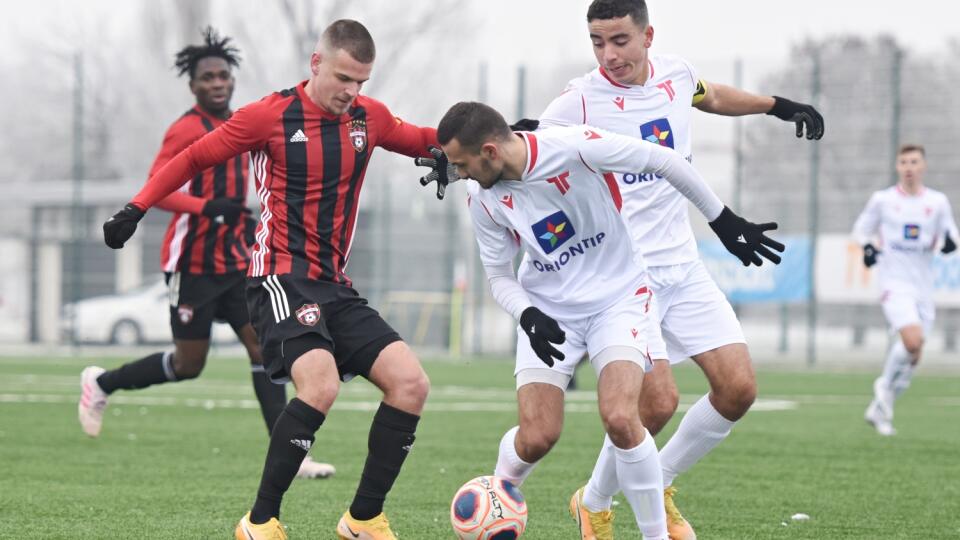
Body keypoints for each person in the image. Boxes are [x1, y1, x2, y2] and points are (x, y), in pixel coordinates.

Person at [101, 20, 442, 540]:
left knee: (411, 384)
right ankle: (259, 524)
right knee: (320, 384)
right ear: (316, 64)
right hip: (278, 277)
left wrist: (492, 138)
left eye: (362, 82)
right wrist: (136, 207)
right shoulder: (269, 116)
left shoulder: (366, 118)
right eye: (344, 78)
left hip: (334, 284)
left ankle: (363, 519)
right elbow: (193, 157)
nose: (352, 92)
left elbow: (422, 138)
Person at [529, 1, 825, 537]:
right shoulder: (579, 100)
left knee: (738, 390)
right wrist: (453, 154)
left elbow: (708, 94)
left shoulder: (675, 73)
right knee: (657, 402)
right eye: (597, 42)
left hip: (683, 267)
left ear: (647, 35)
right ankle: (596, 503)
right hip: (625, 278)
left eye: (619, 40)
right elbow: (521, 142)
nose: (608, 54)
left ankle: (649, 483)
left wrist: (776, 105)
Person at [431, 101, 782, 539]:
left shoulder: (572, 147)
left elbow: (664, 159)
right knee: (537, 436)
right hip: (550, 310)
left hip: (618, 300)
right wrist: (528, 315)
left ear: (490, 151)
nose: (460, 174)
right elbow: (499, 275)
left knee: (621, 416)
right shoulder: (482, 199)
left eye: (462, 164)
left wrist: (722, 219)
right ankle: (500, 488)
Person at [77, 27, 333, 480]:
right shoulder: (185, 129)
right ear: (193, 85)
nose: (217, 83)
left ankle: (292, 456)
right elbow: (159, 188)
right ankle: (101, 382)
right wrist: (206, 208)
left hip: (236, 262)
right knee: (188, 364)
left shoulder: (244, 122)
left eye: (223, 75)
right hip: (191, 262)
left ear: (232, 80)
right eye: (208, 77)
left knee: (263, 349)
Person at [853, 144, 957, 436]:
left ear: (923, 166)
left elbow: (951, 233)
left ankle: (880, 408)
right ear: (897, 167)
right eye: (903, 162)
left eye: (914, 161)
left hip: (923, 287)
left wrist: (949, 243)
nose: (909, 167)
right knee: (912, 341)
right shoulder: (883, 200)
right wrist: (869, 248)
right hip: (893, 283)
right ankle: (883, 387)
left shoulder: (937, 202)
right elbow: (861, 229)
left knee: (914, 355)